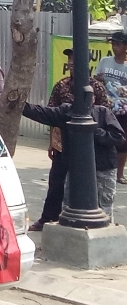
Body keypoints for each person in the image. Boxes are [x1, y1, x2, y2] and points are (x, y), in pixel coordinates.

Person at [28, 48, 109, 231]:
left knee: (87, 184)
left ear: (86, 63)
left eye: (75, 59)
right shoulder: (61, 85)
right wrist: (52, 142)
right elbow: (51, 114)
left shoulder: (96, 87)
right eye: (70, 59)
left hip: (88, 146)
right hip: (62, 144)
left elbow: (104, 114)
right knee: (56, 183)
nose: (71, 62)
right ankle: (47, 219)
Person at [21, 93, 124, 222]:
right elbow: (41, 112)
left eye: (89, 97)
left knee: (104, 207)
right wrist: (19, 103)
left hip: (103, 167)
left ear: (93, 99)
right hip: (76, 168)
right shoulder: (66, 112)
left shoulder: (103, 112)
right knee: (70, 206)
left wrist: (93, 131)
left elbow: (118, 137)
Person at [94, 31, 127, 185]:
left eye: (118, 44)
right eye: (113, 44)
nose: (114, 47)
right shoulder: (105, 61)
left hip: (123, 110)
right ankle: (100, 169)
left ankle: (119, 174)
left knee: (122, 141)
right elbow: (95, 79)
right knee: (103, 137)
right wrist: (99, 79)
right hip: (105, 107)